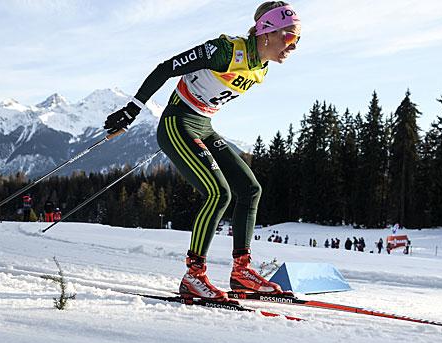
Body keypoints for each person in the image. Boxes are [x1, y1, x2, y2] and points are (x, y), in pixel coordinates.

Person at [103, 2, 300, 302]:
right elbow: (166, 68)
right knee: (219, 193)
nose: (293, 46)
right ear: (266, 32)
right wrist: (133, 109)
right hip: (177, 123)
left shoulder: (262, 68)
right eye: (288, 37)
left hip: (203, 125)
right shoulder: (224, 51)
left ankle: (241, 272)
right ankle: (194, 276)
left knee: (250, 189)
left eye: (298, 40)